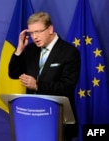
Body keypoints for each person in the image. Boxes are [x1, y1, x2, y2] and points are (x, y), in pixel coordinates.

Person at [8, 12, 81, 141]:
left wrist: (37, 85)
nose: (34, 37)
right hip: (31, 118)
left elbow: (67, 87)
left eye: (38, 32)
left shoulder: (69, 52)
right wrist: (19, 49)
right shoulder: (31, 50)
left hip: (57, 121)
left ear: (50, 29)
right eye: (31, 33)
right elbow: (13, 74)